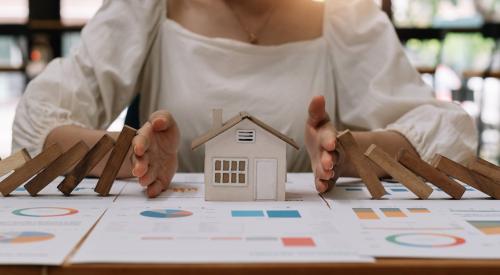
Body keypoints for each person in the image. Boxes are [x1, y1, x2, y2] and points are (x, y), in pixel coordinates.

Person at [12, 0, 477, 198]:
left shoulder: (343, 11)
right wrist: (135, 156)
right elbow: (39, 123)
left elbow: (449, 136)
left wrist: (345, 155)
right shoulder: (147, 6)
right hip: (170, 250)